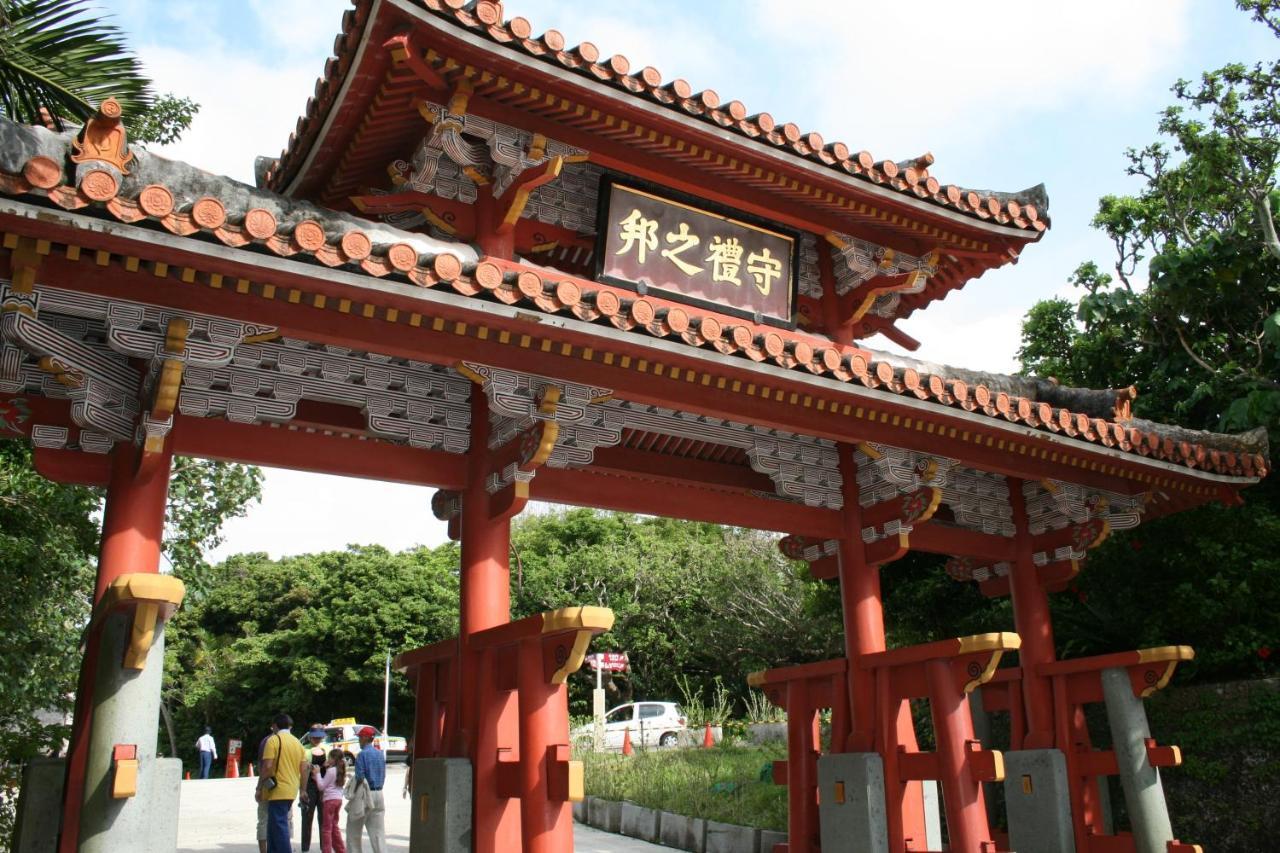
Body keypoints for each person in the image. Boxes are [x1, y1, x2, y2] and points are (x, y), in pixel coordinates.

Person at [257, 713, 309, 853]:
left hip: (277, 790)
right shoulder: (297, 742)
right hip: (291, 789)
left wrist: (259, 788)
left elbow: (267, 767)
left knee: (279, 826)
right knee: (274, 827)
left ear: (275, 725)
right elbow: (304, 768)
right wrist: (303, 790)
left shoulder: (273, 740)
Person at [346, 726, 386, 853]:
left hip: (364, 794)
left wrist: (351, 793)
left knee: (353, 832)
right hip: (379, 793)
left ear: (365, 738)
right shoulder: (380, 754)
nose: (359, 741)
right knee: (378, 833)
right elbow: (383, 775)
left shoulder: (362, 755)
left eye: (360, 738)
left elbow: (360, 777)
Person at [299, 726, 328, 852]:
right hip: (309, 786)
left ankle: (324, 848)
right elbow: (303, 771)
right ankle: (305, 849)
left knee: (324, 819)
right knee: (307, 818)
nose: (317, 739)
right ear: (310, 736)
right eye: (315, 736)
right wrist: (303, 790)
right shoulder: (304, 750)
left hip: (324, 788)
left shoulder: (327, 748)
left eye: (319, 736)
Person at [312, 748, 347, 853]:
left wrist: (318, 773)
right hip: (338, 799)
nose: (327, 759)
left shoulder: (331, 771)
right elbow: (330, 783)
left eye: (329, 757)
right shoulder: (341, 769)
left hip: (329, 801)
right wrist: (318, 776)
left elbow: (321, 786)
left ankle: (326, 850)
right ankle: (341, 850)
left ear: (333, 759)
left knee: (326, 829)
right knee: (334, 826)